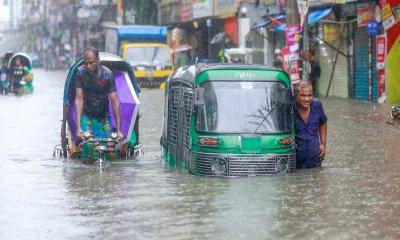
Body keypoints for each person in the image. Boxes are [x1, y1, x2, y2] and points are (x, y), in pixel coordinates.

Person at [75, 47, 123, 144]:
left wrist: (118, 130)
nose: (88, 66)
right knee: (88, 145)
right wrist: (78, 127)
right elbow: (79, 100)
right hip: (86, 116)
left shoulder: (108, 74)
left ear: (98, 60)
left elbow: (114, 102)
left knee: (110, 146)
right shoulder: (80, 72)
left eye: (91, 62)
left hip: (103, 117)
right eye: (86, 63)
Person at [294, 81, 327, 169]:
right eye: (303, 95)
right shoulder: (291, 109)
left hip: (315, 161)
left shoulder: (317, 106)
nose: (307, 99)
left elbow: (323, 122)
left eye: (309, 95)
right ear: (297, 95)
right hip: (296, 164)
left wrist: (323, 144)